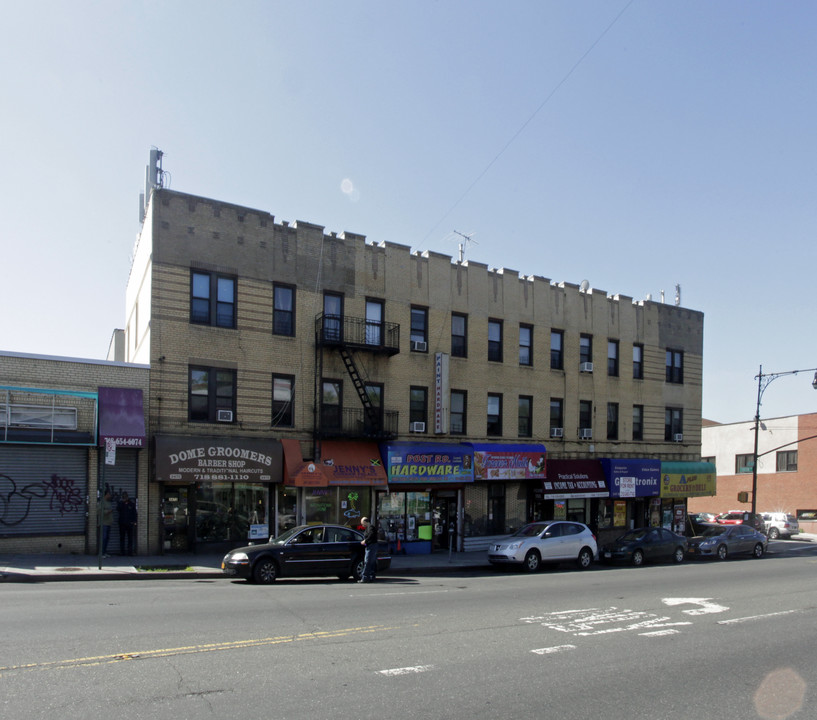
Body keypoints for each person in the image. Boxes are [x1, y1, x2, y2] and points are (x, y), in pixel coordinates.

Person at [358, 516, 378, 583]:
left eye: (362, 523)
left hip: (371, 546)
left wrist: (365, 541)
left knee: (367, 561)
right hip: (369, 546)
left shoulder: (371, 527)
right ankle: (371, 576)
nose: (362, 525)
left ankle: (365, 577)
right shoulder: (367, 528)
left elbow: (371, 536)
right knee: (371, 562)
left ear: (365, 522)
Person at [117, 492, 137, 556]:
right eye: (123, 497)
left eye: (125, 497)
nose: (125, 498)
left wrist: (134, 521)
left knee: (130, 538)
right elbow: (118, 509)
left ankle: (130, 552)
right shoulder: (121, 503)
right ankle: (122, 552)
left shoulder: (131, 504)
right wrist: (122, 503)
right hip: (122, 523)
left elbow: (134, 513)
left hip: (129, 524)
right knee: (122, 538)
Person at [100, 491, 114, 558]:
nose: (110, 496)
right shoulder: (102, 502)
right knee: (104, 538)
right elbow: (99, 511)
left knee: (107, 538)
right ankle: (101, 553)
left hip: (108, 523)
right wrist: (108, 511)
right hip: (104, 523)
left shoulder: (108, 502)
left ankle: (104, 552)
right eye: (109, 494)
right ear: (106, 495)